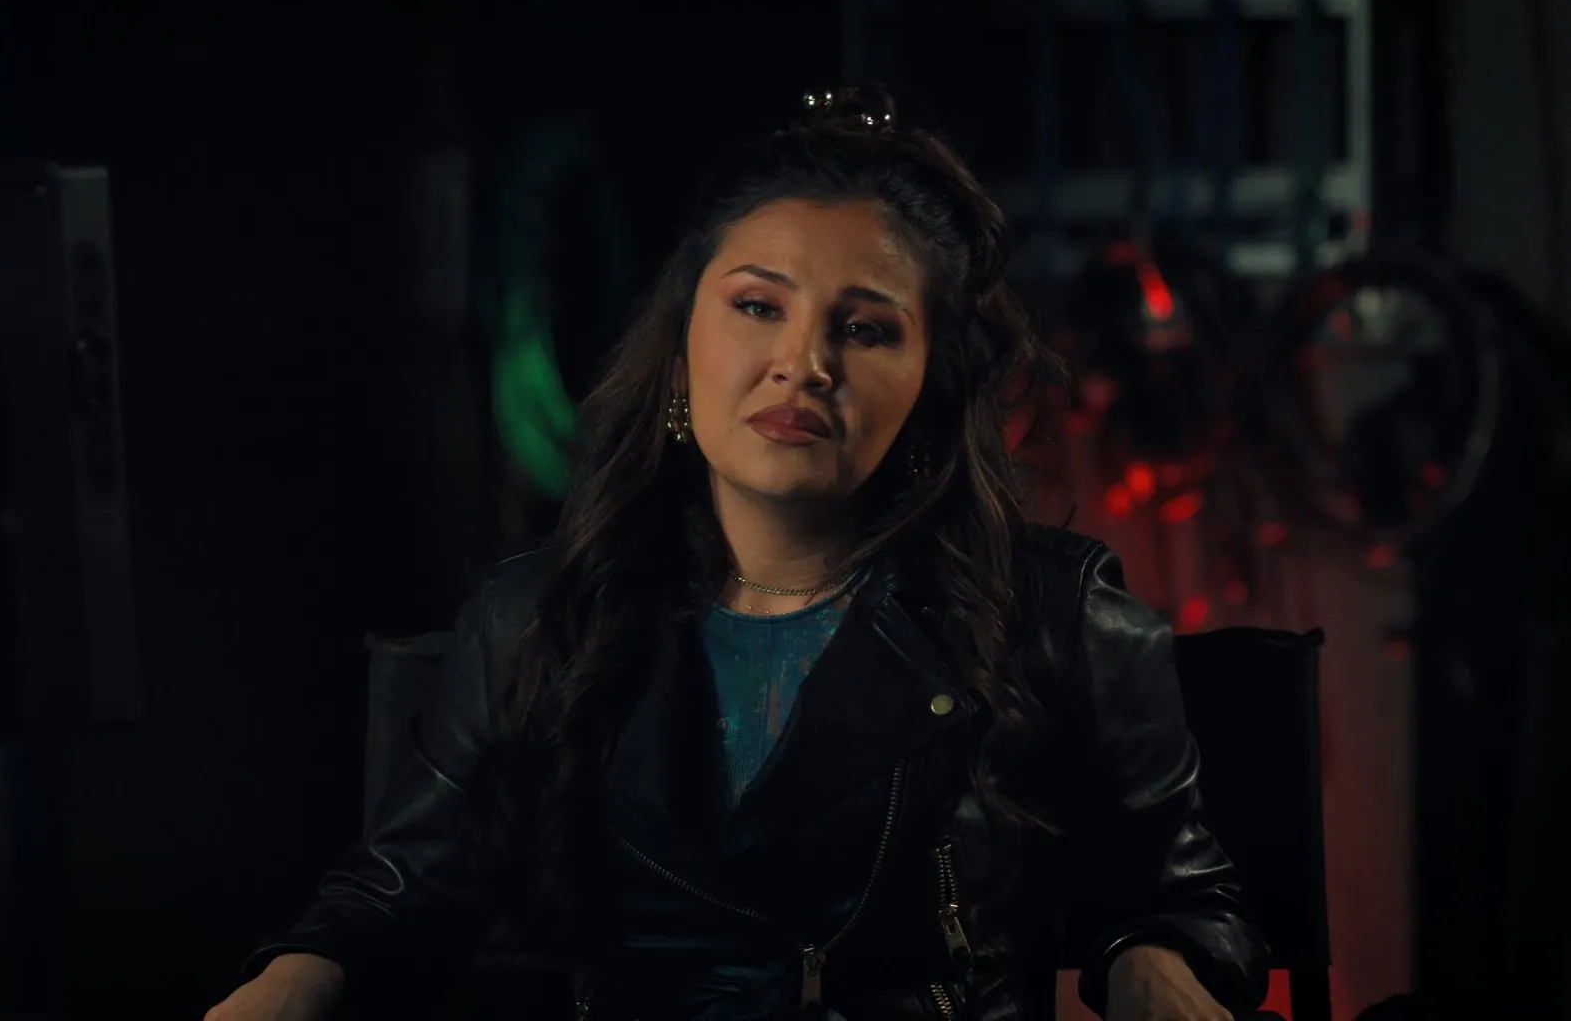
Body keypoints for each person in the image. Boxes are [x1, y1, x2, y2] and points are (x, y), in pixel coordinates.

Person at [206, 87, 1270, 1021]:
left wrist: (1152, 961)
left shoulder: (1055, 615)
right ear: (681, 353)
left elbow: (1184, 900)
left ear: (929, 387)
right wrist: (294, 977)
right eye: (758, 306)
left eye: (866, 328)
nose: (802, 363)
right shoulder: (539, 616)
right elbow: (402, 890)